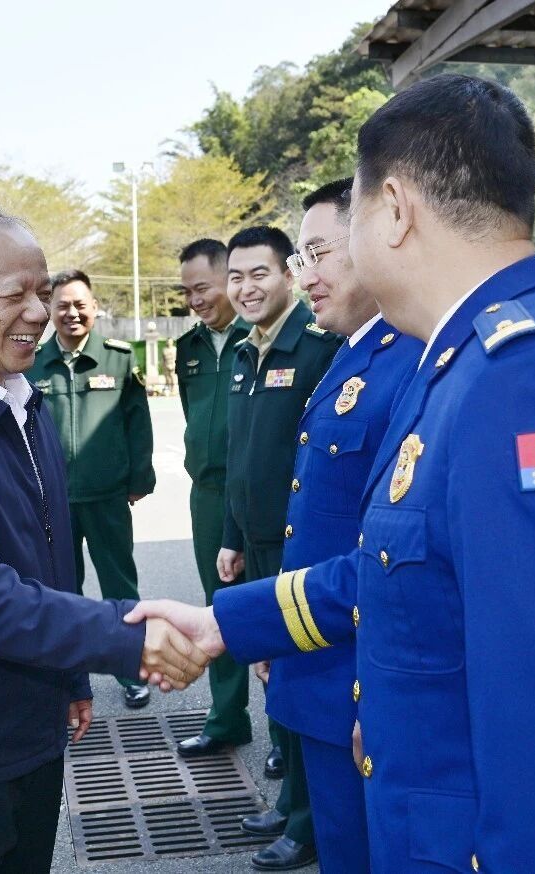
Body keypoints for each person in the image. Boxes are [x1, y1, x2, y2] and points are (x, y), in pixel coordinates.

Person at [127, 74, 535, 873]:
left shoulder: (531, 380)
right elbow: (400, 568)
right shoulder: (459, 361)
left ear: (394, 209)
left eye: (346, 226)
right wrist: (225, 623)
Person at [0, 202, 207, 874]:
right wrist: (125, 639)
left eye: (42, 291)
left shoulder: (24, 400)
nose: (37, 312)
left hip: (32, 730)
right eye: (13, 294)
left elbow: (48, 561)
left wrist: (69, 677)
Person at [253, 178, 421, 872]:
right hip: (319, 659)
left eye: (319, 254)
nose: (307, 276)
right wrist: (278, 628)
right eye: (301, 258)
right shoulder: (352, 352)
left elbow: (397, 557)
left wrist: (381, 698)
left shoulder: (409, 359)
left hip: (359, 682)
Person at [219, 225, 341, 871]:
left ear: (289, 275)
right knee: (278, 684)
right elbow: (238, 456)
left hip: (300, 550)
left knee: (302, 683)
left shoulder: (316, 348)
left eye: (259, 273)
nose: (246, 288)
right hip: (257, 544)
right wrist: (231, 537)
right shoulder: (245, 352)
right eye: (235, 276)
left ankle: (308, 820)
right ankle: (291, 798)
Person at [27, 270, 156, 709]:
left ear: (95, 308)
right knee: (62, 592)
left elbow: (138, 423)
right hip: (52, 500)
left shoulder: (118, 359)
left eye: (80, 304)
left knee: (120, 586)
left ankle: (131, 670)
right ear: (50, 310)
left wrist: (139, 479)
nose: (72, 313)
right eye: (62, 305)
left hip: (106, 495)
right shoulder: (32, 363)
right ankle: (70, 678)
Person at [171, 239, 254, 759]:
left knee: (273, 605)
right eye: (187, 292)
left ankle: (285, 737)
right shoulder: (188, 348)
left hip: (257, 492)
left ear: (229, 278)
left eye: (202, 287)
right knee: (219, 607)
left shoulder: (262, 336)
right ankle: (227, 718)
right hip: (207, 493)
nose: (195, 300)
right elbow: (192, 414)